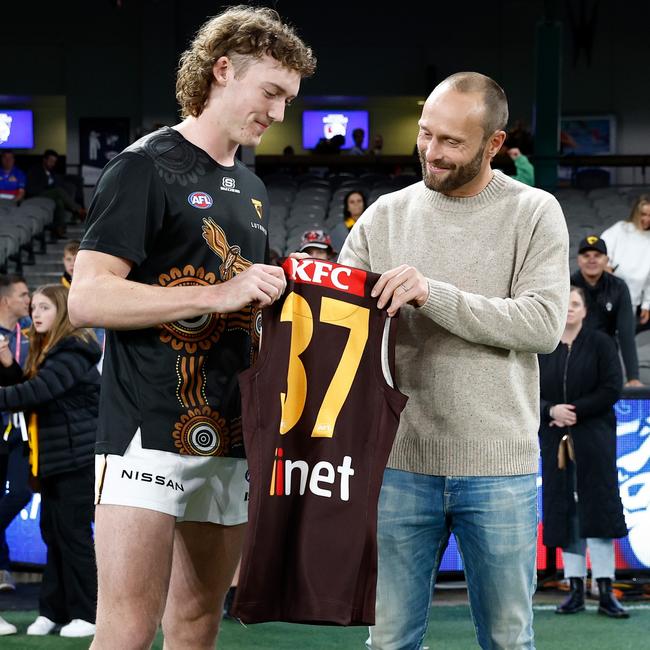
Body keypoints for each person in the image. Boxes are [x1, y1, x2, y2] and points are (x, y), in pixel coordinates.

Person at [68, 6, 316, 649]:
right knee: (127, 627)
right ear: (222, 69)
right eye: (271, 92)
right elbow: (88, 300)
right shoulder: (144, 164)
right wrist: (224, 290)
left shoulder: (253, 186)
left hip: (229, 436)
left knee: (198, 622)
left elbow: (239, 304)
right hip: (144, 435)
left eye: (289, 99)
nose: (279, 112)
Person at [338, 71, 569, 649]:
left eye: (451, 143)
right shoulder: (384, 215)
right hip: (397, 464)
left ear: (493, 145)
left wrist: (431, 294)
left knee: (508, 641)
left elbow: (542, 325)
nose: (431, 153)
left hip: (499, 469)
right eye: (425, 134)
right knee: (387, 642)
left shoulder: (535, 212)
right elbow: (338, 326)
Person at [0, 284, 101, 637]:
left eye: (44, 307)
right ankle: (52, 611)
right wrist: (10, 367)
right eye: (34, 308)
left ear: (61, 312)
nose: (35, 314)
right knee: (53, 535)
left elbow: (35, 393)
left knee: (72, 536)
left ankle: (88, 614)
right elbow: (32, 393)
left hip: (77, 459)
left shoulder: (73, 351)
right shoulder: (50, 353)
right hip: (53, 460)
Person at [538, 286, 628, 618]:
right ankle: (574, 589)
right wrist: (550, 411)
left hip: (593, 439)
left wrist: (574, 410)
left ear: (585, 310)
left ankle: (606, 591)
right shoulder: (542, 346)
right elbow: (527, 389)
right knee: (567, 514)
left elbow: (612, 387)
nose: (570, 309)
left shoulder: (602, 344)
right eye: (566, 303)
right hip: (554, 439)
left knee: (598, 512)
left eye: (576, 303)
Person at [571, 235, 641, 386]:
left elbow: (626, 335)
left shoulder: (618, 287)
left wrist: (633, 377)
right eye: (586, 255)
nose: (592, 260)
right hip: (573, 359)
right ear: (578, 260)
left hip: (607, 358)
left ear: (606, 260)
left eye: (597, 255)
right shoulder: (568, 285)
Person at [0, 275, 31, 594]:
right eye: (23, 295)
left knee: (20, 493)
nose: (29, 300)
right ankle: (3, 567)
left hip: (21, 431)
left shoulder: (30, 337)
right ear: (6, 300)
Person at [601, 195, 650, 331]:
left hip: (632, 298)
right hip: (609, 291)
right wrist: (606, 264)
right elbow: (603, 245)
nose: (646, 219)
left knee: (623, 336)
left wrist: (646, 305)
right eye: (643, 214)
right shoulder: (621, 228)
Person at [26, 149, 86, 238]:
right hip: (36, 195)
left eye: (54, 162)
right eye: (50, 161)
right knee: (58, 191)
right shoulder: (35, 170)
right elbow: (31, 188)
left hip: (50, 196)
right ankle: (79, 210)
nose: (52, 164)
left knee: (59, 202)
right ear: (44, 160)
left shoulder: (52, 173)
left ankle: (59, 230)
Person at [330, 189, 367, 255]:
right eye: (352, 202)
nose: (356, 204)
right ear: (347, 207)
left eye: (359, 201)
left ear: (364, 204)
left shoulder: (371, 225)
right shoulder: (338, 230)